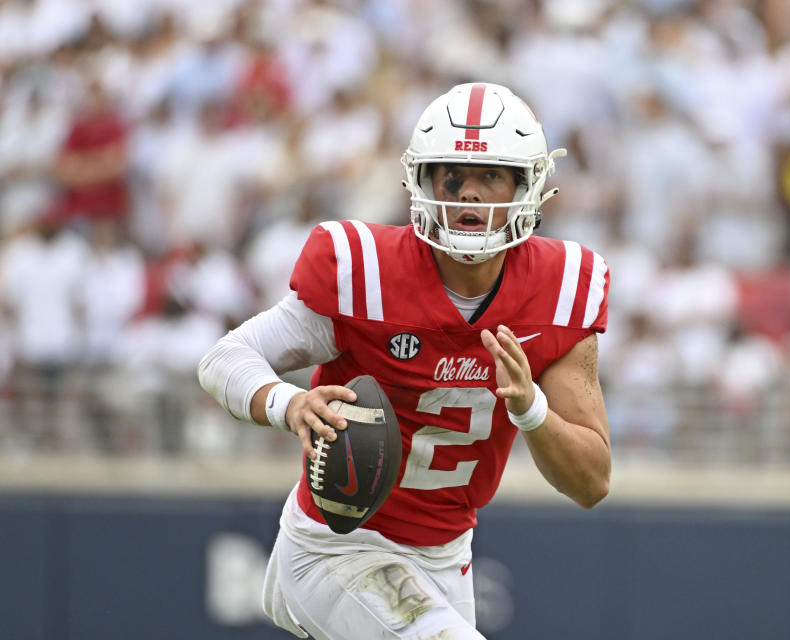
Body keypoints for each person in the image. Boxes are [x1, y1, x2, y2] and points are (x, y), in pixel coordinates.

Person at [197, 82, 611, 640]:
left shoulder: (561, 289)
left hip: (447, 558)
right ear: (422, 180)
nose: (468, 194)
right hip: (335, 548)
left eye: (490, 175)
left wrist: (531, 407)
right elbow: (226, 357)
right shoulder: (364, 272)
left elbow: (591, 482)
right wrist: (288, 402)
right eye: (453, 176)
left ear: (527, 184)